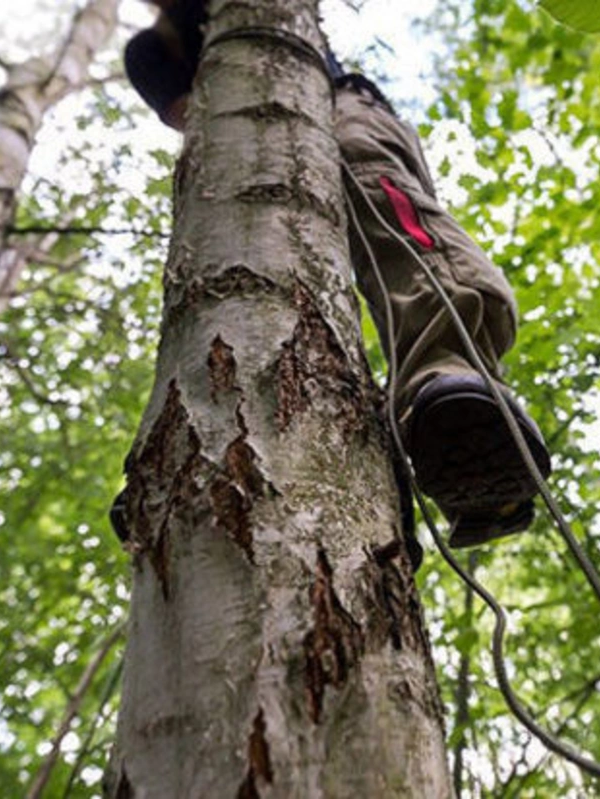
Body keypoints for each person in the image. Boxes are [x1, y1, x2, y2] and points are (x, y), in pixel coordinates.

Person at [120, 0, 552, 549]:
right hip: (245, 147)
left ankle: (453, 387)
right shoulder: (151, 49)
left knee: (389, 217)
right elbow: (191, 113)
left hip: (341, 108)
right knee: (261, 274)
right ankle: (385, 474)